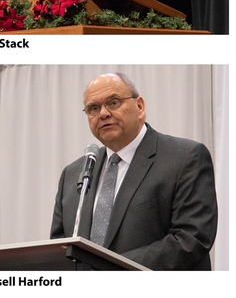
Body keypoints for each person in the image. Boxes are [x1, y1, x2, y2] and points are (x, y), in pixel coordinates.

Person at [50, 72, 218, 270]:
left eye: (113, 102)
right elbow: (59, 249)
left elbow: (191, 239)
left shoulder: (185, 157)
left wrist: (111, 271)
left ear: (139, 107)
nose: (103, 113)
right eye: (93, 108)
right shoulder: (73, 173)